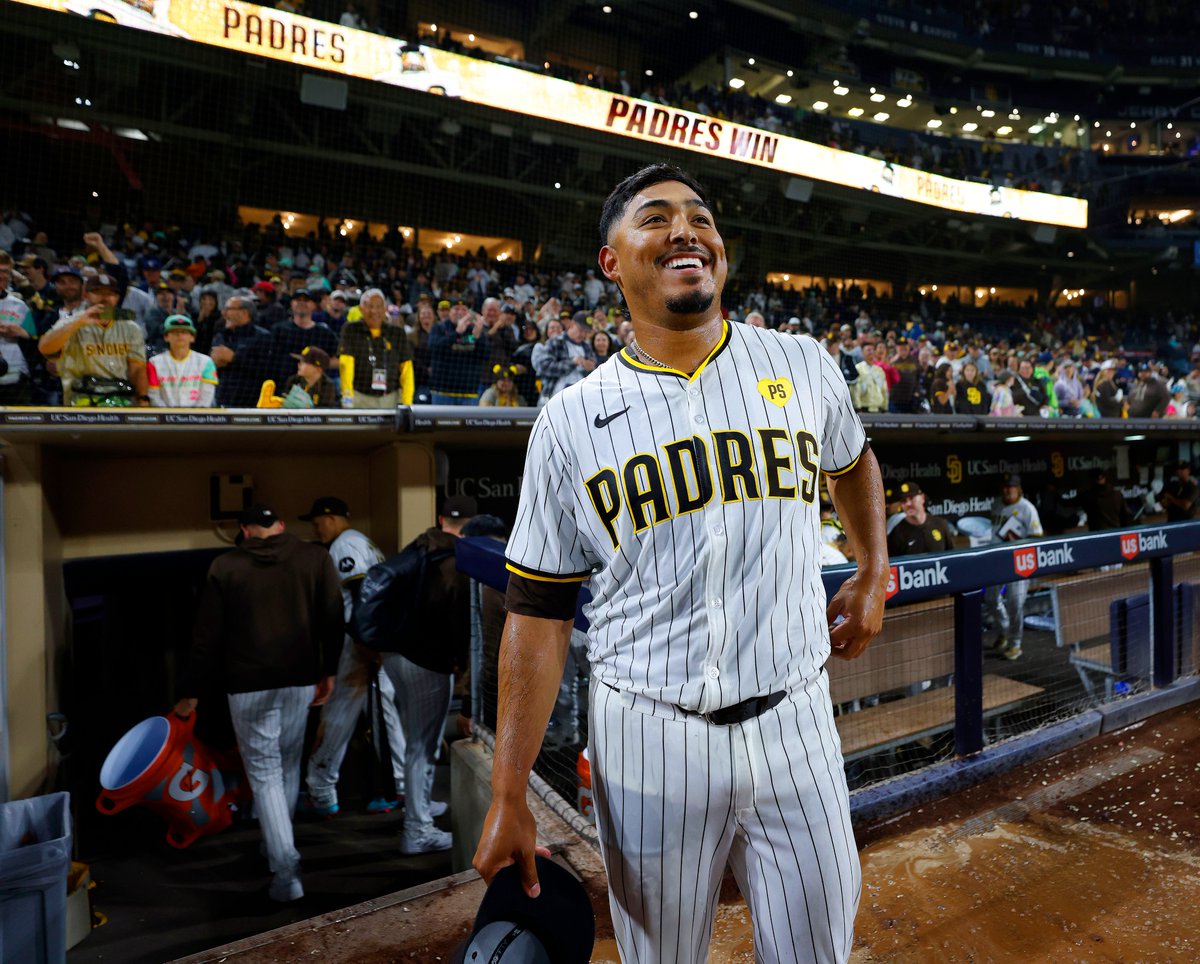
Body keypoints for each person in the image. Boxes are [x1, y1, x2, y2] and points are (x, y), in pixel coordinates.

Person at [473, 163, 887, 963]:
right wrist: (507, 788)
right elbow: (537, 616)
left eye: (699, 216)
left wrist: (872, 568)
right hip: (649, 739)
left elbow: (853, 460)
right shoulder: (570, 422)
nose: (685, 231)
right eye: (655, 218)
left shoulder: (800, 363)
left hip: (795, 718)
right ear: (612, 261)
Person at [173, 504, 343, 902]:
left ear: (246, 531)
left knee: (265, 774)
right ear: (281, 525)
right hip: (300, 679)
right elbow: (333, 617)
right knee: (285, 766)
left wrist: (191, 691)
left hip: (247, 684)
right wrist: (329, 670)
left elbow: (206, 636)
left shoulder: (225, 566)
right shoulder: (314, 557)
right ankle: (275, 845)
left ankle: (286, 871)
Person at [299, 497, 409, 818]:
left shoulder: (345, 545)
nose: (316, 528)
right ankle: (398, 785)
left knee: (339, 712)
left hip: (358, 642)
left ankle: (321, 789)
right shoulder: (363, 542)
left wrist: (365, 643)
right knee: (383, 711)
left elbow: (363, 593)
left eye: (317, 521)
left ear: (331, 518)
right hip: (374, 638)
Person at [381, 494, 477, 855]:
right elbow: (459, 623)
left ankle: (418, 806)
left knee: (416, 738)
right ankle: (417, 830)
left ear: (441, 519)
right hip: (426, 661)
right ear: (471, 523)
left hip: (394, 655)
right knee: (423, 744)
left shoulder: (418, 545)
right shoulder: (457, 559)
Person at [38, 271, 150, 406]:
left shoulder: (131, 328)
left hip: (120, 400)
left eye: (110, 293)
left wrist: (143, 398)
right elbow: (45, 348)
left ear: (117, 297)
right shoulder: (71, 322)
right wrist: (79, 322)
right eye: (98, 292)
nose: (104, 297)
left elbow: (137, 369)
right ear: (85, 295)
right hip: (80, 399)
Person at [989, 474, 1043, 661]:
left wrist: (1018, 540)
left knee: (1015, 603)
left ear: (1018, 488)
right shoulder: (996, 504)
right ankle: (1005, 630)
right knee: (990, 598)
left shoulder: (1027, 508)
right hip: (996, 559)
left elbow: (1037, 537)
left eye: (1011, 487)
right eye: (1004, 487)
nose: (1007, 490)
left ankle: (1015, 643)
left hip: (1019, 561)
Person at [337, 288, 414, 409]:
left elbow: (407, 369)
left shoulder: (397, 333)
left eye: (379, 306)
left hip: (391, 397)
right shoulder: (351, 329)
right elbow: (346, 365)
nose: (374, 311)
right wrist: (347, 398)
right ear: (361, 309)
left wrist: (407, 402)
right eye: (369, 306)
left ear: (385, 309)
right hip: (360, 397)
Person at [211, 295, 274, 407]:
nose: (223, 313)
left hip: (249, 400)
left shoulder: (262, 337)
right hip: (222, 398)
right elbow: (215, 361)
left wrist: (234, 358)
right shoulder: (221, 335)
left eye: (228, 309)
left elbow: (265, 369)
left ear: (244, 313)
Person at [146, 315, 218, 407]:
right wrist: (167, 416)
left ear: (192, 337)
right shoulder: (154, 363)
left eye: (184, 332)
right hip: (165, 418)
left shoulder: (206, 362)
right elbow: (153, 395)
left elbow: (206, 397)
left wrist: (193, 417)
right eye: (175, 332)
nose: (180, 335)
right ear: (166, 337)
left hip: (198, 418)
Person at [886, 482, 952, 556]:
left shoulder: (940, 524)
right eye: (904, 501)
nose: (908, 504)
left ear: (922, 498)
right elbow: (893, 564)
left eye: (911, 498)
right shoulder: (896, 534)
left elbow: (951, 556)